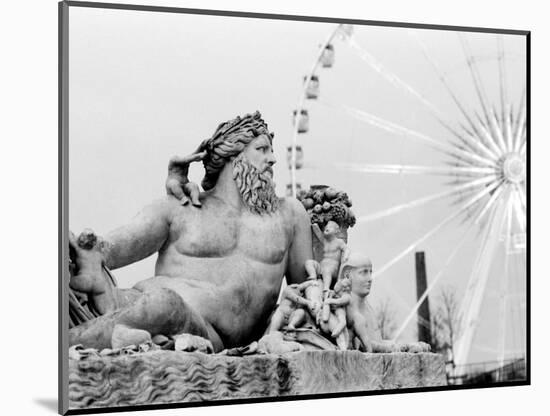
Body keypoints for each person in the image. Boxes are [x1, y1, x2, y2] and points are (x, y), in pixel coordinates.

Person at [69, 111, 313, 352]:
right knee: (157, 302)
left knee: (165, 304)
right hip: (135, 306)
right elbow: (108, 249)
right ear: (232, 156)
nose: (273, 159)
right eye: (262, 149)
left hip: (205, 332)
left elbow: (308, 292)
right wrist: (84, 251)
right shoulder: (180, 207)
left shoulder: (288, 215)